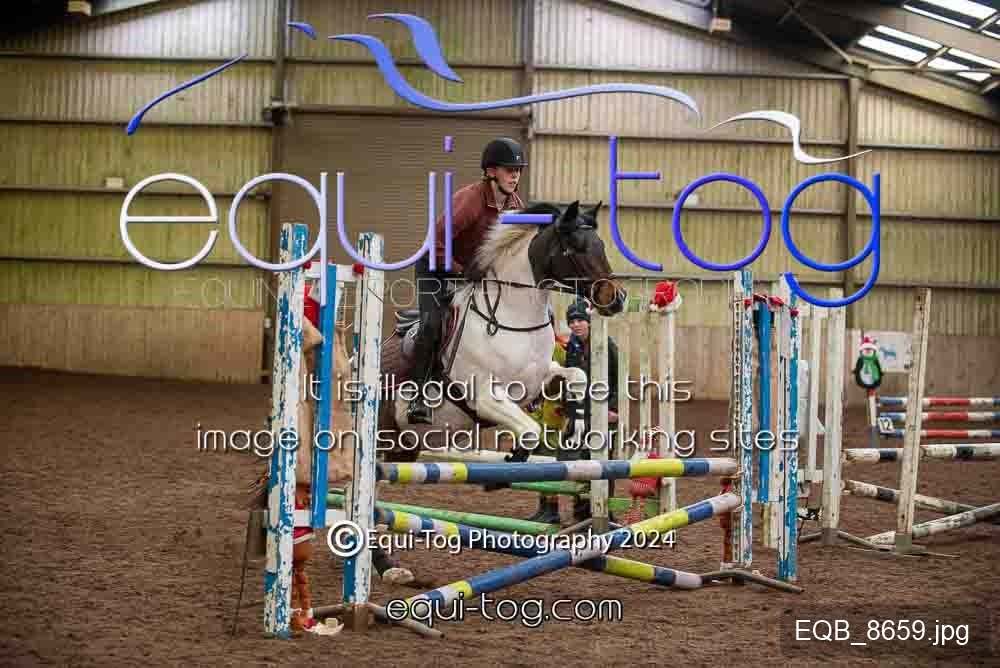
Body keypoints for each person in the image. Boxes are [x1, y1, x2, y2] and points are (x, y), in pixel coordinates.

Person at [406, 137, 527, 424]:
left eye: (518, 171)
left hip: (472, 273)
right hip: (436, 268)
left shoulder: (516, 206)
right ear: (491, 171)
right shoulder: (470, 200)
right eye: (509, 170)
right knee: (432, 324)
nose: (515, 176)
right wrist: (461, 272)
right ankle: (417, 397)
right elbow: (436, 243)